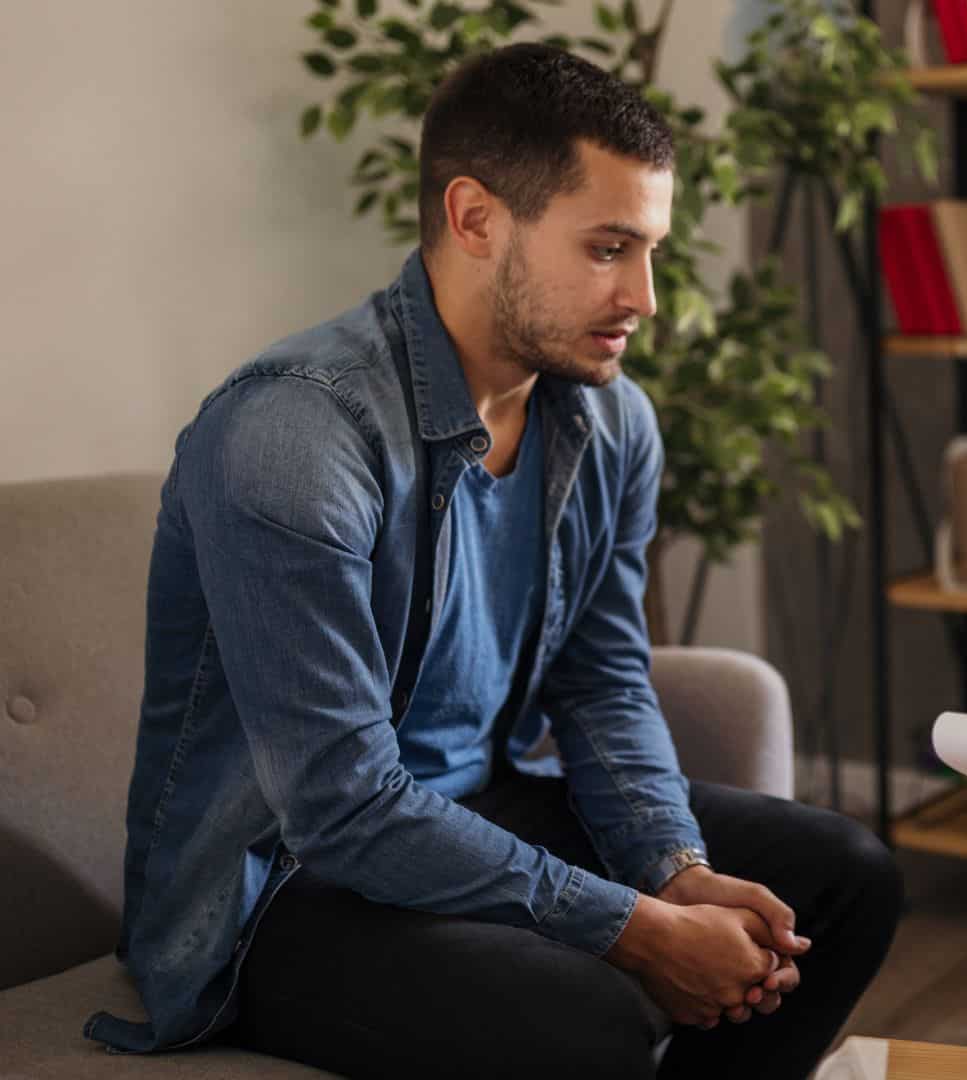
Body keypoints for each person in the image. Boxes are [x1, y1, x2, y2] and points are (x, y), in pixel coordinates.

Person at [85, 43, 901, 1079]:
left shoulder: (610, 422)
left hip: (475, 802)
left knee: (848, 877)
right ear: (475, 219)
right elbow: (342, 805)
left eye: (650, 249)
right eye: (609, 248)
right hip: (281, 884)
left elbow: (600, 682)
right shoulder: (293, 435)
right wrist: (634, 926)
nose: (644, 297)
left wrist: (675, 868)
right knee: (583, 1017)